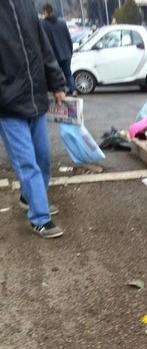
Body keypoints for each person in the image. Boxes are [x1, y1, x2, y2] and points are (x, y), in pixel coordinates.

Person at [0, 0, 66, 238]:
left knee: (43, 158)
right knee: (27, 162)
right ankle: (40, 217)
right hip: (7, 105)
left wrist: (57, 83)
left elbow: (44, 48)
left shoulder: (26, 4)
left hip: (36, 98)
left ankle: (30, 197)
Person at [42, 3, 77, 96]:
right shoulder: (62, 22)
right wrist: (70, 51)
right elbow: (68, 38)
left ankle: (62, 91)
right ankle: (73, 90)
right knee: (68, 73)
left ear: (45, 12)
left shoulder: (43, 24)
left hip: (54, 56)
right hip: (66, 54)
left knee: (57, 75)